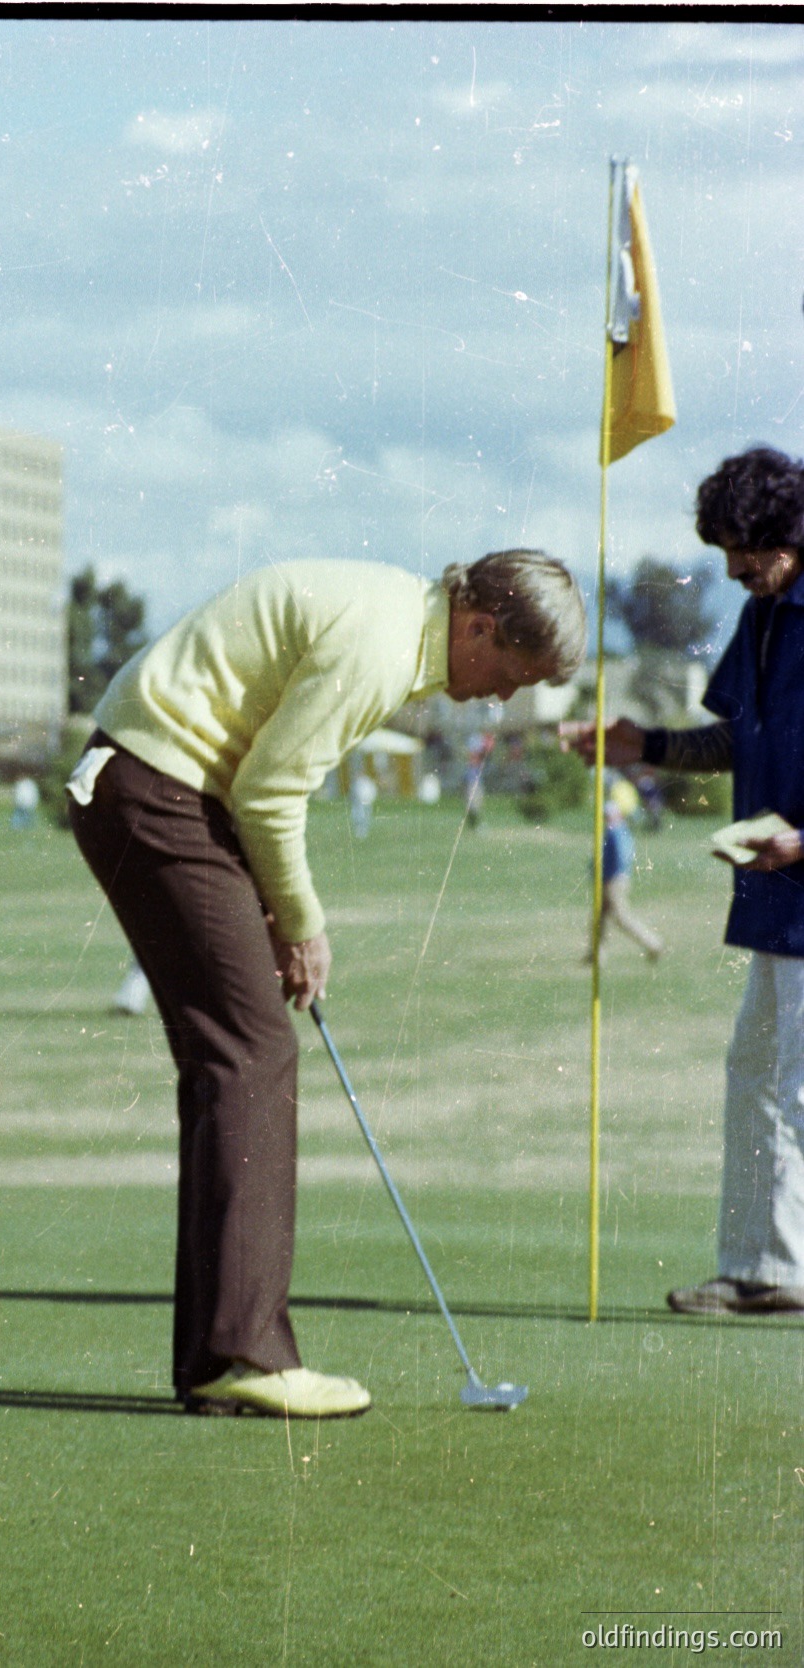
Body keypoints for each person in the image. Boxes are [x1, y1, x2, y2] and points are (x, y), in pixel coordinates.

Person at [67, 551, 587, 1415]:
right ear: (480, 626)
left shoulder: (400, 623)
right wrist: (302, 924)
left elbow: (256, 784)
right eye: (508, 674)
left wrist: (277, 906)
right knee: (254, 1051)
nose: (500, 698)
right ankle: (245, 1354)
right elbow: (271, 791)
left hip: (158, 783)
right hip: (159, 786)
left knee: (230, 1056)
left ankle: (217, 1357)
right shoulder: (382, 648)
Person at [565, 446, 804, 1316]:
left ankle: (773, 1271)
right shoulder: (766, 617)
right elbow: (732, 741)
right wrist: (645, 746)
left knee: (790, 1084)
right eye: (726, 553)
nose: (735, 569)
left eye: (748, 549)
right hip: (778, 901)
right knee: (759, 1074)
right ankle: (763, 1269)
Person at [589, 797, 664, 962]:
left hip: (614, 881)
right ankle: (596, 954)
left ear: (617, 815)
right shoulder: (614, 831)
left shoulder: (617, 831)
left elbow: (621, 858)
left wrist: (609, 876)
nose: (606, 818)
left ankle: (653, 944)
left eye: (609, 815)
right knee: (599, 917)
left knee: (620, 917)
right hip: (610, 879)